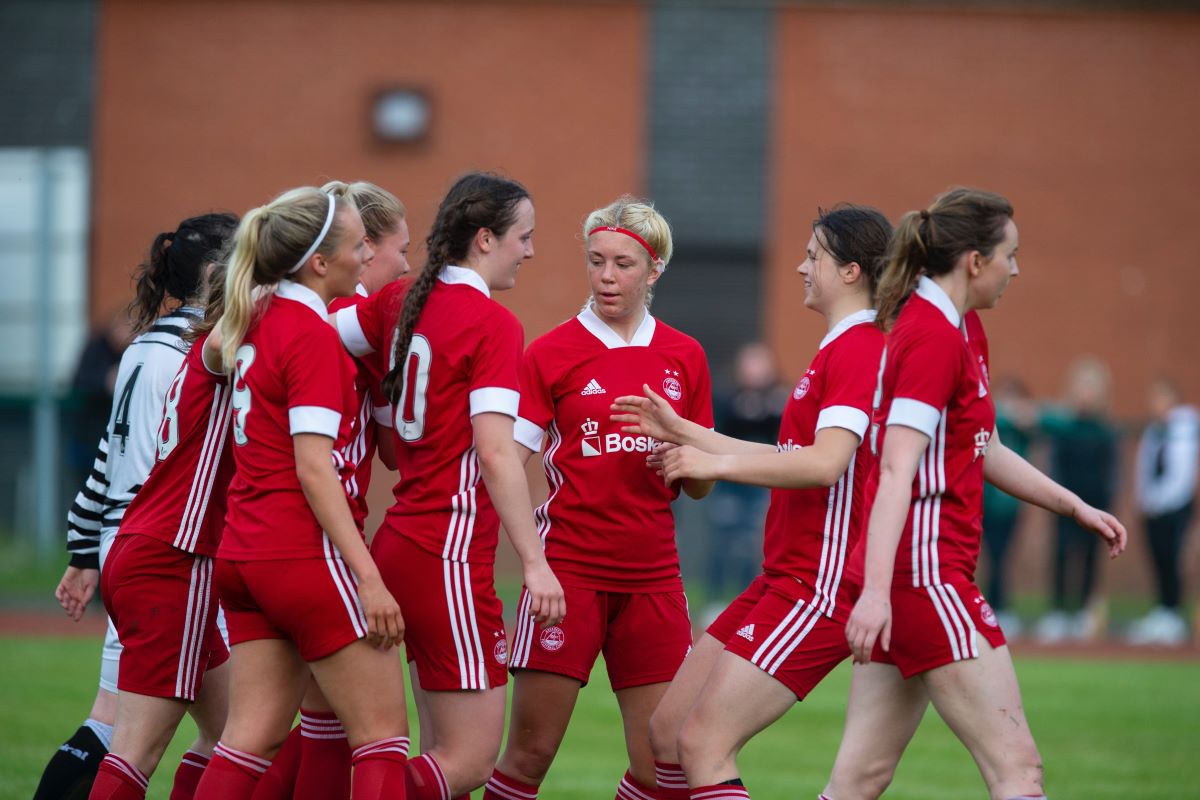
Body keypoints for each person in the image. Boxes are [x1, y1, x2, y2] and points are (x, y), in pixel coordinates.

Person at [824, 188, 1127, 800]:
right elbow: (895, 470)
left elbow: (981, 447)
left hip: (910, 582)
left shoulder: (960, 328)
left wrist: (1074, 506)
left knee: (860, 778)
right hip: (928, 578)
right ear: (974, 260)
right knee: (1019, 770)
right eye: (1010, 254)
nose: (1016, 269)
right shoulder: (933, 335)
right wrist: (876, 594)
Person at [610, 204, 891, 800]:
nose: (799, 266)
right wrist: (682, 428)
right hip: (782, 578)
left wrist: (715, 465)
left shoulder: (861, 348)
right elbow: (783, 451)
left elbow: (823, 464)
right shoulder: (836, 348)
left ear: (851, 272)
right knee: (667, 732)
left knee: (704, 742)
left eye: (813, 256)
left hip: (821, 585)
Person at [333, 171, 565, 799]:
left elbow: (315, 331)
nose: (531, 250)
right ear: (485, 239)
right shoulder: (492, 324)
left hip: (401, 542)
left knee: (439, 761)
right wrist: (536, 563)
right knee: (468, 763)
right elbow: (495, 453)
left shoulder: (397, 299)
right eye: (525, 236)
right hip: (449, 555)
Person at [481, 196, 714, 800]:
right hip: (570, 574)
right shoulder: (551, 352)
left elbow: (701, 483)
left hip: (654, 575)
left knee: (664, 764)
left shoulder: (684, 355)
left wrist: (679, 449)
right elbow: (508, 460)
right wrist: (531, 564)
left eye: (624, 264)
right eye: (597, 261)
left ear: (655, 268)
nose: (607, 276)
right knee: (529, 755)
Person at [192, 187, 409, 799]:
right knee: (383, 739)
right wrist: (369, 577)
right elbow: (314, 468)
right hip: (300, 554)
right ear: (319, 262)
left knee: (249, 739)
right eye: (358, 242)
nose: (369, 252)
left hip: (245, 555)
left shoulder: (256, 317)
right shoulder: (310, 333)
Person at [38, 212, 238, 800]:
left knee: (234, 731)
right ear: (218, 273)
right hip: (168, 548)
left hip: (130, 542)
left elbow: (108, 457)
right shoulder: (197, 354)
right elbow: (161, 468)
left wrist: (83, 548)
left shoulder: (143, 345)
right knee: (128, 736)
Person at [87, 266, 235, 800]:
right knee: (135, 751)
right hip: (174, 559)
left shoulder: (194, 350)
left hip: (144, 546)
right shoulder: (220, 346)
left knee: (234, 737)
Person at [1032, 358, 1120, 643]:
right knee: (1060, 554)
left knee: (1091, 557)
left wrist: (1107, 502)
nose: (1086, 393)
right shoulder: (1063, 426)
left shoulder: (1105, 429)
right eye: (1081, 387)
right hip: (1065, 505)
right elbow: (1054, 463)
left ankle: (1084, 611)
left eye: (1091, 387)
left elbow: (1113, 470)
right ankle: (1058, 612)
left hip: (1096, 504)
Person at [702, 342, 789, 616]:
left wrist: (767, 409)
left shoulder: (779, 398)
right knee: (724, 539)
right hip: (730, 482)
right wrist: (744, 410)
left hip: (761, 482)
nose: (755, 370)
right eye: (750, 363)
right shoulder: (728, 397)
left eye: (760, 363)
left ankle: (746, 598)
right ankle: (715, 600)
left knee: (753, 542)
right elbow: (715, 434)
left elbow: (784, 439)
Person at [1129, 376, 1198, 645]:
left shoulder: (1184, 428)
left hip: (1175, 509)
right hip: (1152, 510)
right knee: (1157, 560)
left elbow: (1181, 475)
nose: (1155, 404)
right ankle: (1163, 610)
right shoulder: (1153, 431)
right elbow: (1143, 468)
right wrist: (1144, 502)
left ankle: (1174, 613)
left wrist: (1160, 501)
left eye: (1161, 397)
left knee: (1173, 560)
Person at [981, 377, 1036, 635]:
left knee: (1002, 557)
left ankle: (1002, 607)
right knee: (990, 557)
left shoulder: (1024, 429)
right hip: (985, 507)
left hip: (1011, 508)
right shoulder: (991, 421)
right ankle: (991, 607)